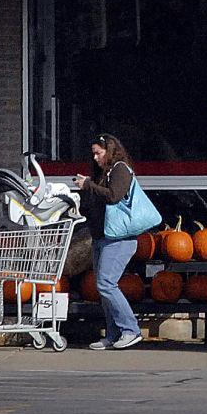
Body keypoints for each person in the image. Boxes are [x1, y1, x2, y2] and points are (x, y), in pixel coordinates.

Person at [74, 133, 142, 350]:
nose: (95, 157)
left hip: (119, 238)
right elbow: (98, 201)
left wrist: (88, 185)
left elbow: (114, 196)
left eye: (99, 153)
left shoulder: (120, 169)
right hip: (101, 237)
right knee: (102, 287)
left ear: (109, 151)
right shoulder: (103, 173)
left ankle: (130, 329)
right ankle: (113, 334)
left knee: (106, 283)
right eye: (93, 153)